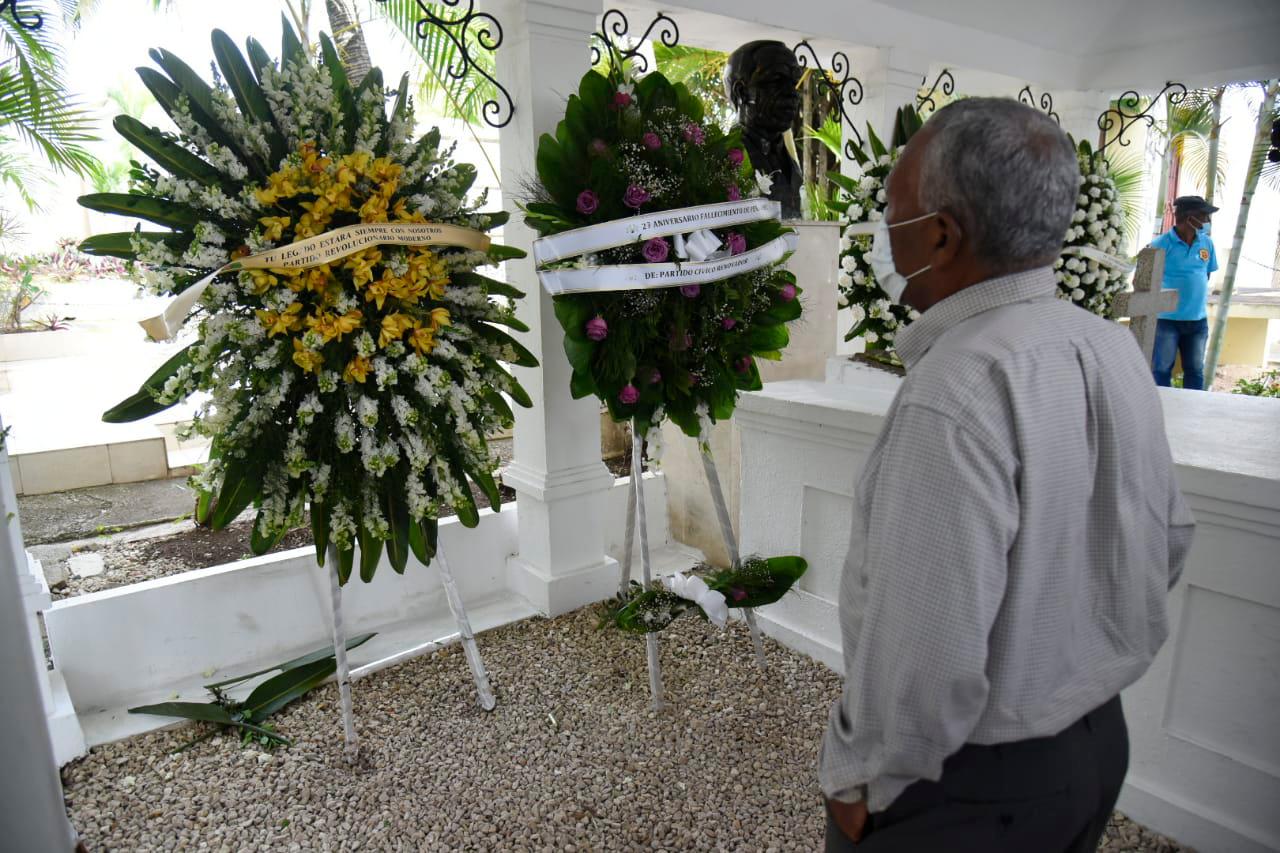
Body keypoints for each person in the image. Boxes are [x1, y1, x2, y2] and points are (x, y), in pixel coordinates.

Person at [820, 98, 1195, 852]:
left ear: (941, 234)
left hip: (971, 791)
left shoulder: (956, 389)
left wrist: (858, 779)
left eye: (891, 211)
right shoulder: (1108, 346)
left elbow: (925, 653)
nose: (882, 233)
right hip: (1096, 745)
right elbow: (1169, 539)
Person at [723, 40, 804, 219]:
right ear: (742, 92)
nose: (792, 93)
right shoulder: (724, 161)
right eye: (776, 81)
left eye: (793, 83)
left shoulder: (790, 162)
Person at [1149, 196, 1219, 390]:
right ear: (1189, 218)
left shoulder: (1207, 243)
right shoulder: (1160, 244)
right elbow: (1147, 282)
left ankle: (1193, 407)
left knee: (1195, 371)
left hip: (1198, 321)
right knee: (1162, 369)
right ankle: (1163, 407)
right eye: (1204, 216)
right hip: (1166, 321)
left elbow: (1206, 274)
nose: (1207, 221)